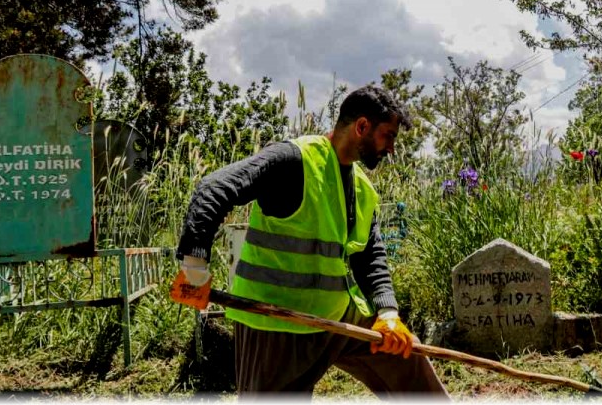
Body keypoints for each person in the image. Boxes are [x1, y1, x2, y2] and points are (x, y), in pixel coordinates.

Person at [170, 84, 449, 397]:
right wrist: (194, 269)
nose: (392, 148)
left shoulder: (362, 188)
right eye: (389, 135)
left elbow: (370, 257)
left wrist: (388, 314)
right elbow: (213, 189)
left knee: (406, 357)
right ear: (361, 127)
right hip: (275, 325)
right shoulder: (293, 161)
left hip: (335, 317)